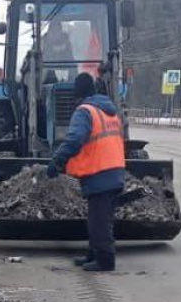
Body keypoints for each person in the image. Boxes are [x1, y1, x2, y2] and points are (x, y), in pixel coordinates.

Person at [46, 73, 125, 272]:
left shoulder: (84, 111)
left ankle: (105, 261)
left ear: (77, 94)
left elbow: (74, 139)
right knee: (98, 217)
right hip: (114, 169)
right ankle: (93, 254)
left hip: (100, 171)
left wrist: (57, 161)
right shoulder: (108, 111)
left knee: (99, 221)